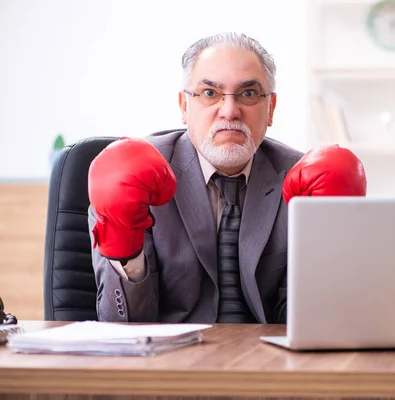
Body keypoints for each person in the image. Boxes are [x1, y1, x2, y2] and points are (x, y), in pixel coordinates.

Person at [87, 32, 367, 324]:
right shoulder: (131, 173)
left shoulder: (301, 178)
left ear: (270, 109)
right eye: (210, 93)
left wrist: (329, 246)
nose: (230, 111)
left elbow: (311, 322)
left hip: (271, 361)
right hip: (170, 363)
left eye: (248, 93)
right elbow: (121, 325)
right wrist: (124, 246)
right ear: (184, 106)